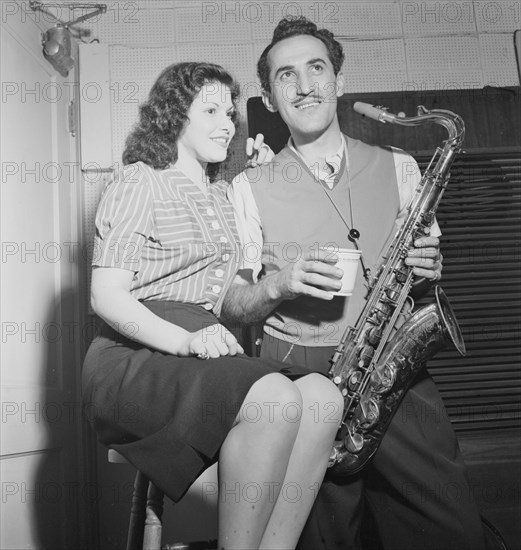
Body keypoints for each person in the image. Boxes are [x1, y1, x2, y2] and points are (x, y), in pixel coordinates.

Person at [221, 17, 487, 550]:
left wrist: (431, 266)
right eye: (285, 76)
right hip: (301, 384)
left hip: (394, 368)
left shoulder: (401, 166)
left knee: (450, 531)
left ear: (338, 82)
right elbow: (232, 303)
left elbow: (424, 265)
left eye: (316, 68)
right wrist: (279, 285)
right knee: (326, 540)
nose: (303, 85)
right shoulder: (247, 187)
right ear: (271, 100)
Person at [81, 61, 345, 550]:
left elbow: (228, 302)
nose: (227, 123)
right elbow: (106, 295)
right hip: (135, 353)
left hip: (205, 343)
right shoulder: (140, 181)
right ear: (173, 116)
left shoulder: (223, 195)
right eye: (210, 110)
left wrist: (282, 277)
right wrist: (185, 340)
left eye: (230, 112)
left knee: (325, 400)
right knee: (275, 400)